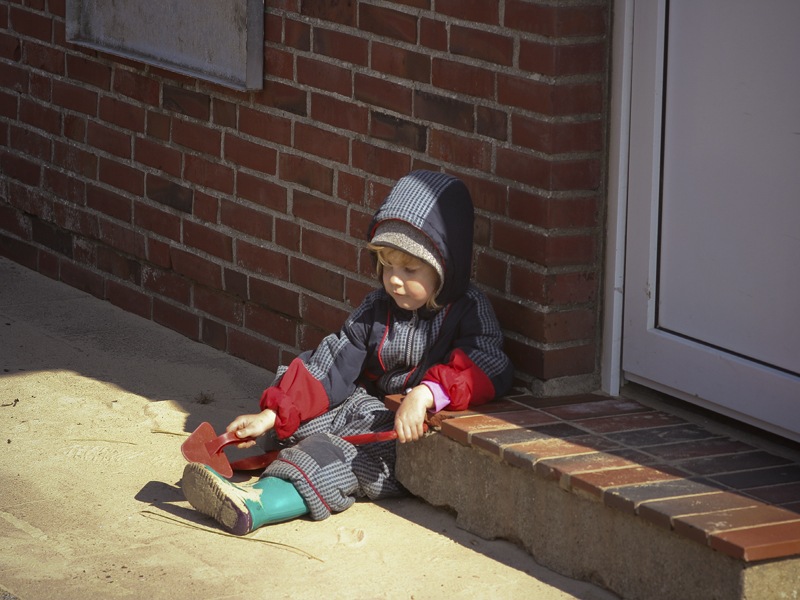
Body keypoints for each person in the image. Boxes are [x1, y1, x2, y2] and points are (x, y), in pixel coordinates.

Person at [182, 170, 514, 535]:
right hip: (368, 409)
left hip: (407, 436)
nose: (395, 279)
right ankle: (280, 455)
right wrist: (270, 415)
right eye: (387, 266)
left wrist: (426, 394)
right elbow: (333, 362)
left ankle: (257, 503)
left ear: (445, 268)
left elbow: (485, 363)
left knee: (341, 457)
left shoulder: (469, 309)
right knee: (297, 419)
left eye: (410, 268)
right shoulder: (377, 308)